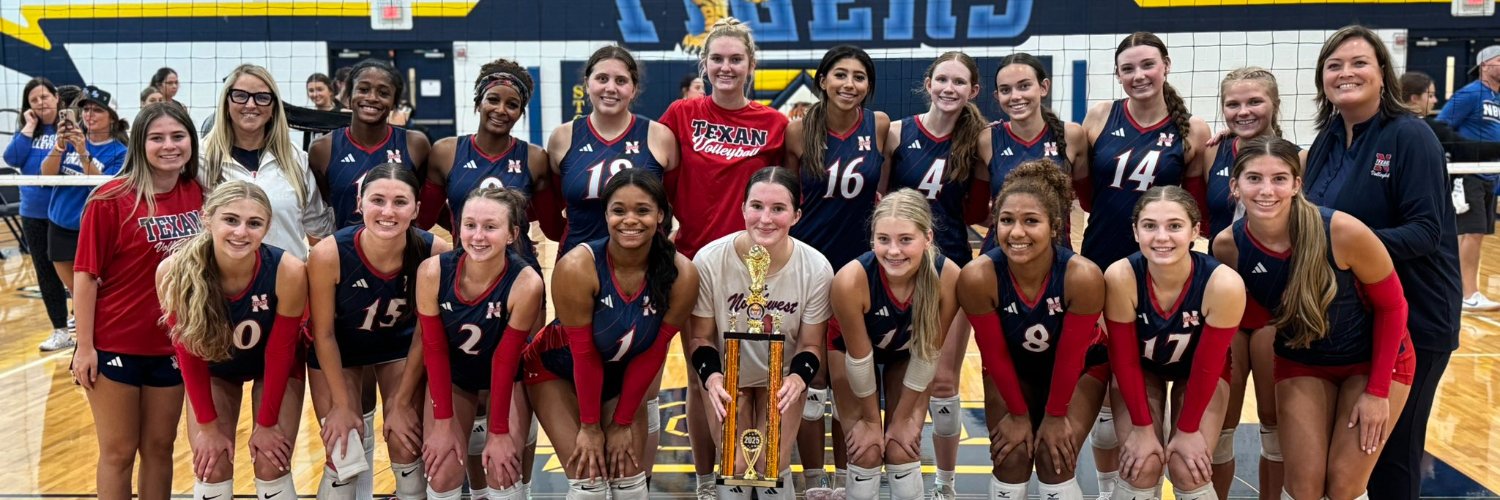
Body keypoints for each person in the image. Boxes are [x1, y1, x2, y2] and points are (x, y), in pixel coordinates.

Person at [1298, 27, 1460, 500]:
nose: (1346, 72)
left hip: (1419, 315)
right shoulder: (1329, 137)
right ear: (1322, 79)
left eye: (1358, 63)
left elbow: (1426, 232)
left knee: (1392, 452)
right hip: (1356, 318)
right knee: (1350, 452)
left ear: (1382, 72)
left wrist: (1345, 249)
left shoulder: (1411, 135)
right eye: (1334, 65)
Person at [1213, 135, 1414, 499]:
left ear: (1296, 185)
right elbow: (1259, 314)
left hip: (1372, 362)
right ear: (1235, 186)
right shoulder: (1228, 245)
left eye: (1279, 179)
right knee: (1303, 488)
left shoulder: (1342, 232)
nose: (1266, 190)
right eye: (1254, 178)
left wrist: (1377, 392)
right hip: (1303, 360)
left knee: (1344, 484)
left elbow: (1393, 306)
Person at [658, 19, 790, 498]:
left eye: (736, 59)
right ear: (704, 65)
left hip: (755, 270)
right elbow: (662, 186)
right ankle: (706, 481)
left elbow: (787, 195)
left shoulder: (775, 125)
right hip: (694, 264)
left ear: (751, 66)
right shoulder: (681, 114)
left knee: (759, 377)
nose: (726, 66)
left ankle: (761, 472)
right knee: (702, 379)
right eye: (718, 59)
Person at [1080, 35, 1210, 496]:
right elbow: (1084, 193)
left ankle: (1144, 478)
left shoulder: (1192, 129)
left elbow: (1195, 208)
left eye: (1147, 66)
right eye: (1128, 68)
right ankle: (1109, 486)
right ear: (1118, 75)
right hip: (1100, 265)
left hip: (1163, 273)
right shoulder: (1099, 116)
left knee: (1153, 375)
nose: (1138, 76)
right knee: (1109, 380)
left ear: (1166, 66)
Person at [523, 170, 698, 499]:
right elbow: (584, 354)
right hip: (556, 370)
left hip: (619, 375)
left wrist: (621, 422)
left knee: (629, 480)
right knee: (589, 480)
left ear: (661, 215)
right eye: (619, 211)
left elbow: (652, 352)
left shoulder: (682, 273)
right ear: (605, 215)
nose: (630, 220)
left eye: (643, 211)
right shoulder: (578, 266)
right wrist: (590, 427)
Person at [72, 102, 205, 500]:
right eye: (157, 138)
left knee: (160, 449)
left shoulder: (199, 194)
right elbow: (85, 276)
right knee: (118, 452)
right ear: (139, 144)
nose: (169, 146)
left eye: (178, 136)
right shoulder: (109, 199)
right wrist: (84, 347)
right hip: (115, 345)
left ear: (191, 142)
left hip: (173, 345)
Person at [961, 159, 1108, 500]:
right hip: (1013, 368)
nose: (1016, 233)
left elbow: (1071, 357)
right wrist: (1017, 413)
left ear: (1055, 226)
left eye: (1031, 221)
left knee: (1054, 456)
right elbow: (994, 355)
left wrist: (1055, 417)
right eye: (1006, 220)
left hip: (1082, 368)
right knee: (1010, 456)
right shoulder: (978, 277)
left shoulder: (1081, 277)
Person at [306, 163, 451, 500]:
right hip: (340, 350)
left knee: (406, 445)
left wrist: (400, 403)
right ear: (360, 203)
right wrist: (342, 405)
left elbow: (424, 335)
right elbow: (323, 334)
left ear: (416, 209)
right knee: (344, 451)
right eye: (378, 200)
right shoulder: (329, 253)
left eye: (400, 202)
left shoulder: (435, 253)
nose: (388, 212)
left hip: (399, 347)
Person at [882, 50, 989, 500]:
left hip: (950, 270)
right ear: (928, 82)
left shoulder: (978, 141)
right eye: (942, 79)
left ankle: (945, 484)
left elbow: (982, 208)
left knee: (943, 380)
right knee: (896, 376)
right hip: (897, 268)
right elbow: (880, 196)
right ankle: (893, 468)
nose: (949, 89)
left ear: (973, 91)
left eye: (959, 82)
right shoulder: (895, 133)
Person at [155, 181, 305, 499]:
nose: (241, 232)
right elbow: (188, 354)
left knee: (271, 461)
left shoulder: (288, 270)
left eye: (254, 223)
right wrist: (208, 427)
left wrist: (266, 424)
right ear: (207, 218)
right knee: (213, 464)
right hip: (214, 369)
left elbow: (280, 352)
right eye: (231, 220)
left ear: (266, 228)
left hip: (272, 367)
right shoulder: (173, 271)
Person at [690, 166, 831, 500]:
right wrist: (713, 380)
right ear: (742, 209)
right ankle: (713, 486)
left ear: (796, 215)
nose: (765, 219)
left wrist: (797, 380)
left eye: (778, 209)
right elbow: (701, 339)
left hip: (780, 379)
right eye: (757, 206)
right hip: (728, 377)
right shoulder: (709, 260)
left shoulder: (816, 268)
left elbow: (811, 344)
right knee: (737, 465)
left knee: (769, 463)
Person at [1104, 186, 1244, 500]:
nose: (1161, 237)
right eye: (1150, 226)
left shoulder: (1223, 284)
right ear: (1135, 231)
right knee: (1142, 465)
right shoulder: (1120, 276)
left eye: (1175, 226)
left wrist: (1189, 430)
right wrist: (1142, 429)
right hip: (1142, 368)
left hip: (1197, 373)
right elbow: (1124, 361)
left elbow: (1208, 366)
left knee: (1186, 466)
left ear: (1195, 230)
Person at [827, 189, 959, 500]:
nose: (894, 251)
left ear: (927, 238)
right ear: (871, 239)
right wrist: (874, 422)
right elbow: (859, 361)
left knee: (901, 447)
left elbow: (927, 354)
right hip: (850, 353)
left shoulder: (947, 275)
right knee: (867, 449)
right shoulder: (850, 280)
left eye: (905, 240)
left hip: (907, 353)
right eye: (883, 239)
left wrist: (900, 422)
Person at [415, 187, 544, 500]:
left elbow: (505, 361)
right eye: (470, 225)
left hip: (509, 378)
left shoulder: (526, 283)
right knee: (442, 469)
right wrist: (443, 423)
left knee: (503, 469)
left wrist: (498, 431)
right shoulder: (432, 271)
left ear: (513, 234)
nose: (478, 236)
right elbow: (434, 348)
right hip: (457, 376)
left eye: (490, 227)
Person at [1198, 67, 1290, 499]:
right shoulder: (1211, 153)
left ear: (1274, 103)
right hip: (1224, 303)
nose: (1243, 111)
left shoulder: (1296, 158)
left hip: (1277, 304)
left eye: (1254, 101)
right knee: (1218, 426)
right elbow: (1199, 216)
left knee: (1274, 427)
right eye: (1233, 103)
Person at [547, 45, 676, 255]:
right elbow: (551, 210)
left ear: (633, 89)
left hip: (646, 262)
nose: (610, 88)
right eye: (602, 78)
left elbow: (674, 204)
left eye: (621, 81)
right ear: (587, 84)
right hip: (577, 260)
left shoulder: (660, 136)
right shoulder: (561, 138)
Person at [200, 64, 334, 260]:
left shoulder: (295, 158)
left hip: (286, 281)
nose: (251, 105)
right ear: (226, 102)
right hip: (224, 284)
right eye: (240, 95)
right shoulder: (201, 158)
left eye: (262, 97)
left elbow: (319, 230)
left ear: (273, 107)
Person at [422, 58, 549, 262]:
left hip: (520, 269)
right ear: (478, 103)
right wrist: (465, 228)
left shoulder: (535, 158)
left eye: (512, 104)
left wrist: (509, 228)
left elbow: (549, 225)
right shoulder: (445, 152)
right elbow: (425, 218)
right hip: (464, 264)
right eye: (493, 99)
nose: (500, 110)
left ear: (520, 113)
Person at [37, 85, 129, 350]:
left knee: (96, 294)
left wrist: (82, 151)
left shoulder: (119, 152)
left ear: (111, 117)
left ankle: (101, 343)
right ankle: (89, 345)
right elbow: (46, 175)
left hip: (92, 230)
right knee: (79, 296)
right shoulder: (70, 139)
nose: (89, 115)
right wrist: (60, 145)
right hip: (60, 225)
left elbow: (104, 188)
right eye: (86, 109)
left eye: (97, 110)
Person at [311, 58, 432, 229]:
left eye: (383, 93)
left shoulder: (415, 144)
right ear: (349, 95)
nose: (372, 98)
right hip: (346, 250)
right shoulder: (322, 149)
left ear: (394, 103)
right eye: (363, 89)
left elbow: (425, 203)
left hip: (403, 250)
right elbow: (324, 205)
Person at [5, 78, 73, 352]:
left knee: (76, 273)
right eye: (34, 100)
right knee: (45, 274)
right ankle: (60, 331)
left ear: (56, 97)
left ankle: (83, 321)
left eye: (44, 97)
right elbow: (12, 158)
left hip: (65, 213)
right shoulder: (28, 132)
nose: (40, 103)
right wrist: (29, 126)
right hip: (32, 212)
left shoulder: (70, 128)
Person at [1436, 45, 1500, 311]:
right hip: (1468, 172)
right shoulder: (1470, 94)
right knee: (1471, 232)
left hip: (1489, 174)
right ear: (1485, 65)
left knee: (1477, 234)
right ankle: (1468, 293)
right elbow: (1441, 125)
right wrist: (1463, 153)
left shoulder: (1497, 98)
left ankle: (1467, 291)